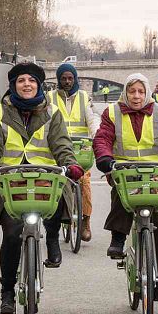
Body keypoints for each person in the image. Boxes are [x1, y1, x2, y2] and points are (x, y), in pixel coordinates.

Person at [0, 62, 83, 314]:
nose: (27, 84)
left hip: (45, 181)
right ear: (14, 85)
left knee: (59, 199)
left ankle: (53, 239)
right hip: (11, 183)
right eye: (21, 80)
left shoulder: (53, 112)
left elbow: (61, 144)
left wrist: (70, 164)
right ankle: (7, 292)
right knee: (12, 234)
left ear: (39, 85)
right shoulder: (1, 113)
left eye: (32, 80)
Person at [94, 73, 158, 301]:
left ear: (147, 92)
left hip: (156, 174)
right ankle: (118, 237)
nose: (136, 96)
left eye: (140, 91)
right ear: (125, 92)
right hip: (125, 171)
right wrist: (104, 158)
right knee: (120, 196)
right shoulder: (112, 112)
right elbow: (102, 138)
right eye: (132, 91)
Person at [46, 63, 100, 241]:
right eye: (64, 79)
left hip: (80, 148)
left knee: (84, 182)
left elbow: (92, 119)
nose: (67, 82)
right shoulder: (50, 98)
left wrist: (97, 136)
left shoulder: (84, 97)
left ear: (75, 79)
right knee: (56, 181)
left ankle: (86, 220)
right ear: (59, 80)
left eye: (70, 78)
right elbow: (45, 121)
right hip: (57, 148)